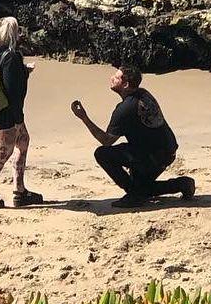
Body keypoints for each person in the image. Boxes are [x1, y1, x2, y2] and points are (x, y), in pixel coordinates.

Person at [72, 66, 196, 207]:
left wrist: (84, 118)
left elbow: (106, 141)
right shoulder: (144, 94)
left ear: (125, 85)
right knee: (144, 187)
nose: (111, 78)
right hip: (167, 151)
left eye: (116, 77)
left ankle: (134, 195)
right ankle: (182, 184)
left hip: (152, 157)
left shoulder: (125, 109)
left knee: (102, 154)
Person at [0, 16, 43, 209]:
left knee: (23, 141)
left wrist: (21, 70)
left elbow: (1, 79)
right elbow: (14, 90)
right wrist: (25, 73)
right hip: (7, 114)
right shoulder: (11, 56)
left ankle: (19, 191)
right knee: (2, 154)